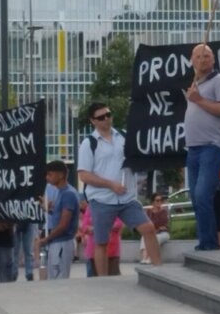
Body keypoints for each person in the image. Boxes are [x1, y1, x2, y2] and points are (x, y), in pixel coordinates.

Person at [77, 102, 161, 275]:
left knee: (148, 228)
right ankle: (103, 280)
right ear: (93, 121)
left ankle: (159, 270)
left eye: (108, 114)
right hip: (102, 199)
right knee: (101, 242)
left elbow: (137, 157)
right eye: (101, 117)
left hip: (126, 198)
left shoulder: (123, 136)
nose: (106, 119)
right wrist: (110, 184)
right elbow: (84, 175)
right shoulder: (89, 143)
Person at [183, 42, 220, 251]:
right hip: (193, 147)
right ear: (192, 61)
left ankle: (209, 244)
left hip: (211, 146)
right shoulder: (196, 83)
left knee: (203, 194)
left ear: (213, 60)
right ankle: (205, 240)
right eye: (198, 56)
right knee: (195, 197)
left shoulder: (219, 81)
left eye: (207, 56)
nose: (203, 60)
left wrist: (198, 100)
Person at [37, 160, 80, 280]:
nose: (47, 178)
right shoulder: (60, 193)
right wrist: (48, 209)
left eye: (50, 174)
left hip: (61, 243)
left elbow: (63, 224)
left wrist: (46, 239)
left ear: (60, 175)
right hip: (57, 243)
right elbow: (60, 216)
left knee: (58, 278)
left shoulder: (68, 194)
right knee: (53, 277)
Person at [143, 192, 170, 263]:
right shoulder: (149, 212)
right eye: (157, 200)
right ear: (153, 202)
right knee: (144, 237)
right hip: (153, 232)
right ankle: (144, 258)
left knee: (155, 238)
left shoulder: (163, 212)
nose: (160, 202)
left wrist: (155, 228)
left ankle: (149, 257)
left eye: (161, 200)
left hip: (163, 233)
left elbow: (163, 225)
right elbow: (147, 224)